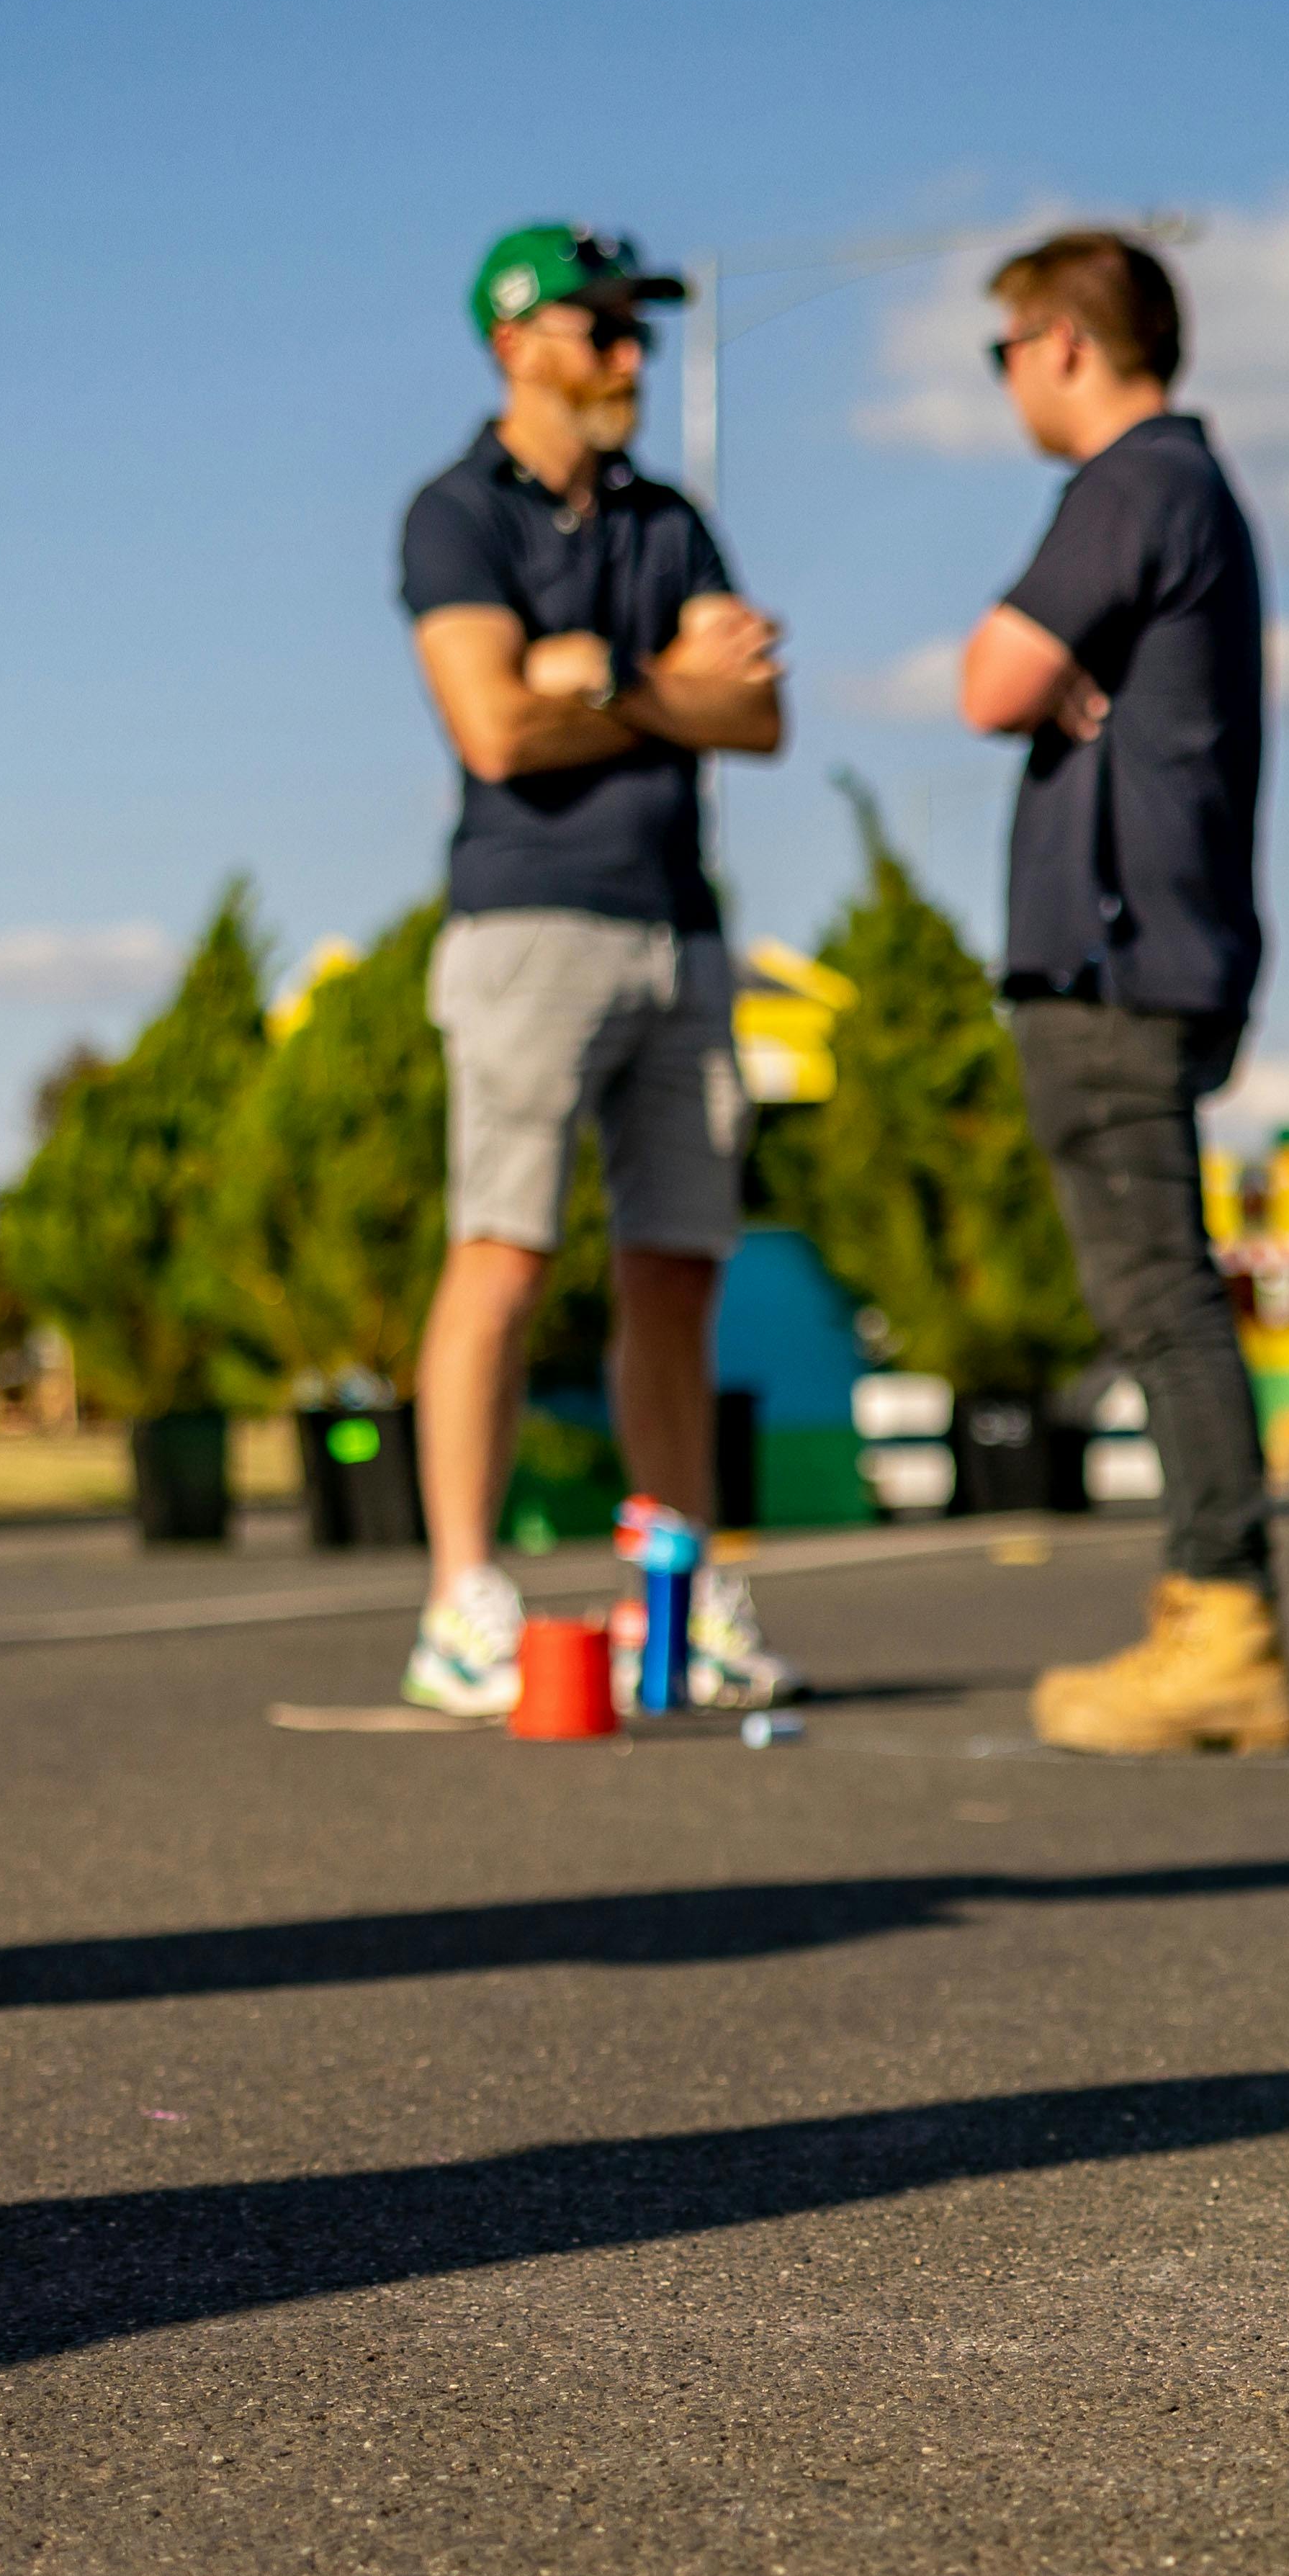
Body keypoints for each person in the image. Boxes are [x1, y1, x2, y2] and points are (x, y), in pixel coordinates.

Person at [392, 220, 793, 1716]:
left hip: (677, 924)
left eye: (639, 333)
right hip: (525, 925)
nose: (632, 358)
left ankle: (685, 1599)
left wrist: (609, 678)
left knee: (676, 1273)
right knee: (502, 1252)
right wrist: (669, 690)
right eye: (601, 330)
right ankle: (460, 1596)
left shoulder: (667, 521)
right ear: (516, 342)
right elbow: (492, 729)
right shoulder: (454, 516)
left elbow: (756, 718)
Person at [958, 230, 1289, 1753]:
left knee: (1157, 1296)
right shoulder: (1189, 490)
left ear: (1066, 344)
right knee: (1160, 1293)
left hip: (1114, 960)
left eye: (1005, 350)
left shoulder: (1132, 485)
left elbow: (986, 684)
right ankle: (1207, 1614)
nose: (1008, 380)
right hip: (1164, 946)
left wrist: (1058, 675)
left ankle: (1220, 1626)